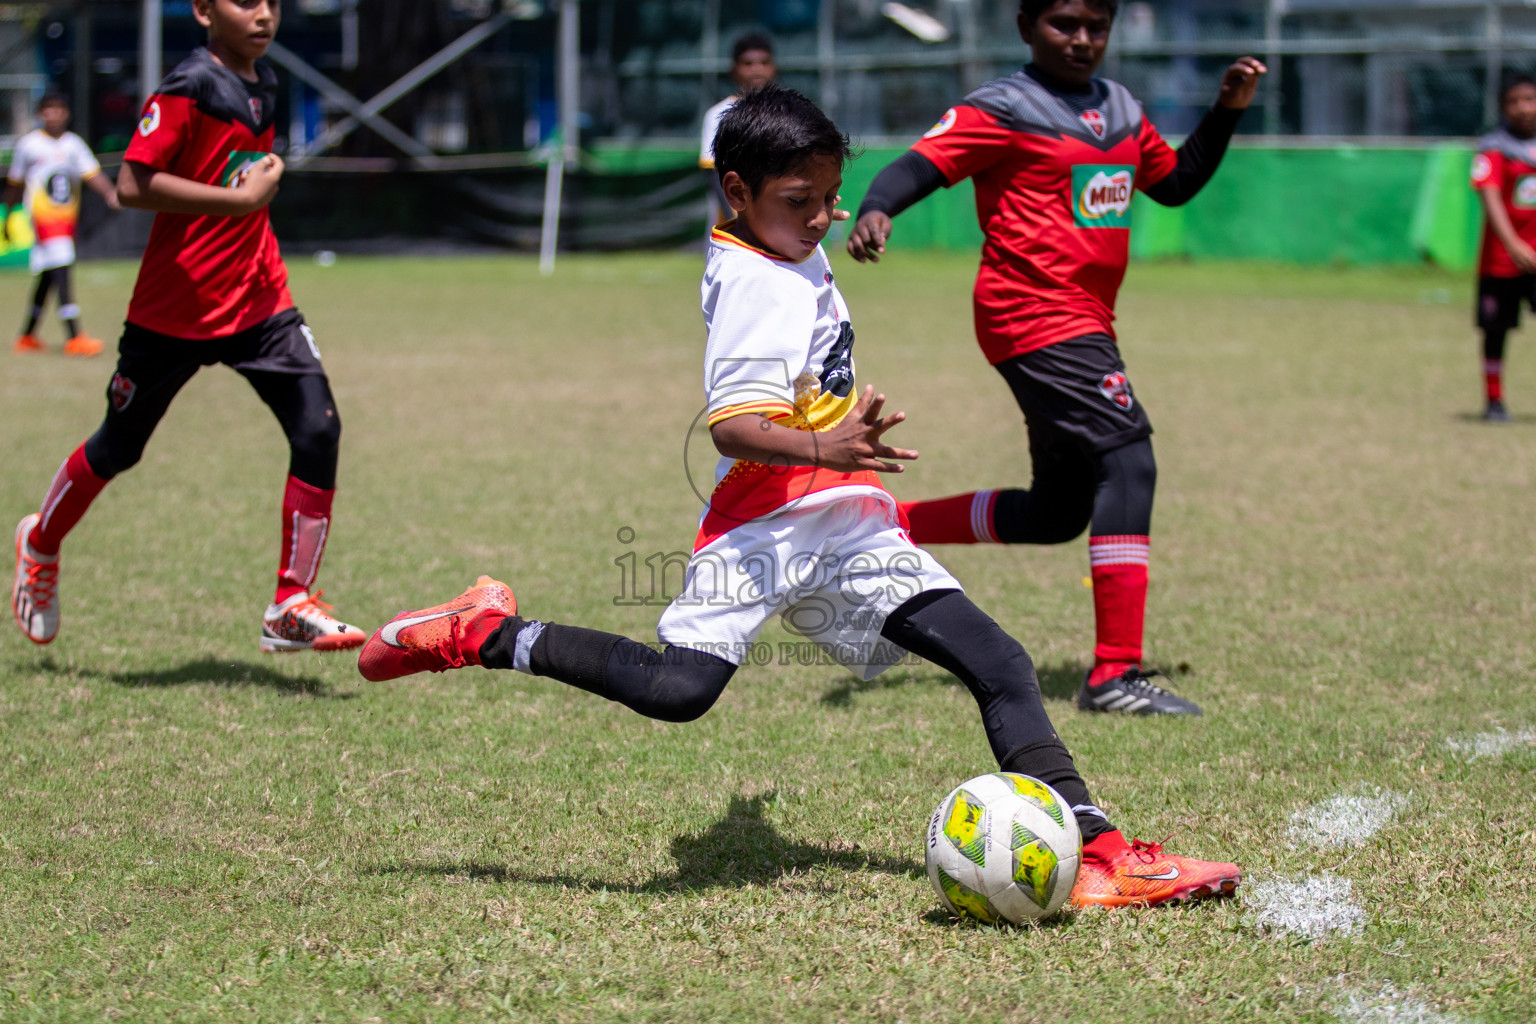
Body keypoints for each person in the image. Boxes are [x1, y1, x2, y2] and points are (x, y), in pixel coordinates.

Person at [359, 85, 1241, 909]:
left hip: (844, 520)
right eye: (799, 199)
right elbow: (733, 427)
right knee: (677, 691)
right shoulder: (757, 284)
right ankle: (486, 632)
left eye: (831, 196)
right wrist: (832, 441)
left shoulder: (771, 238)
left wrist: (839, 441)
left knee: (999, 663)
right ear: (739, 191)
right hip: (767, 525)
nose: (821, 217)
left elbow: (787, 297)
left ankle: (1099, 854)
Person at [846, 0, 1265, 717]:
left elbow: (1174, 184)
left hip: (1083, 323)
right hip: (1031, 313)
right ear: (1027, 27)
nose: (1081, 40)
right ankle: (1112, 676)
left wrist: (1225, 110)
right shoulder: (1005, 107)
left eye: (1095, 27)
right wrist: (878, 207)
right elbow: (920, 164)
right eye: (1063, 24)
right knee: (1129, 458)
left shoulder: (1123, 110)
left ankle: (883, 527)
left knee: (1058, 510)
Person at [10, 0, 366, 654]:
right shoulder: (190, 85)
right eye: (245, 1)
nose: (264, 14)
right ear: (203, 10)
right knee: (119, 448)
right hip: (174, 309)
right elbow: (134, 184)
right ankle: (39, 542)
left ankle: (290, 602)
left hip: (259, 299)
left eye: (273, 2)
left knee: (319, 429)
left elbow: (237, 172)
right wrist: (241, 199)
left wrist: (256, 186)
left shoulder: (265, 82)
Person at [4, 93, 122, 356]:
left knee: (48, 275)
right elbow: (15, 184)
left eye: (58, 109)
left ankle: (26, 336)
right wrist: (9, 215)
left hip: (67, 218)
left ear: (66, 113)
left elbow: (92, 174)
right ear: (39, 114)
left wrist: (110, 194)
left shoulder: (73, 144)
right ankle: (75, 336)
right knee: (62, 270)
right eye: (48, 110)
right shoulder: (29, 145)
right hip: (44, 219)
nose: (53, 114)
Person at [1470, 74, 1536, 423]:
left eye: (1529, 99)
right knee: (1496, 330)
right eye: (1514, 101)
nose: (1523, 107)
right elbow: (1489, 196)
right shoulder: (1493, 147)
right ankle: (1494, 402)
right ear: (1503, 107)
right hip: (1501, 261)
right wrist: (1513, 244)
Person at [700, 33, 777, 228]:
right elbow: (714, 173)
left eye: (764, 62)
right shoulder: (718, 114)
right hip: (735, 216)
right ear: (733, 70)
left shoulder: (787, 111)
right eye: (748, 63)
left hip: (777, 214)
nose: (757, 69)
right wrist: (736, 220)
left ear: (773, 67)